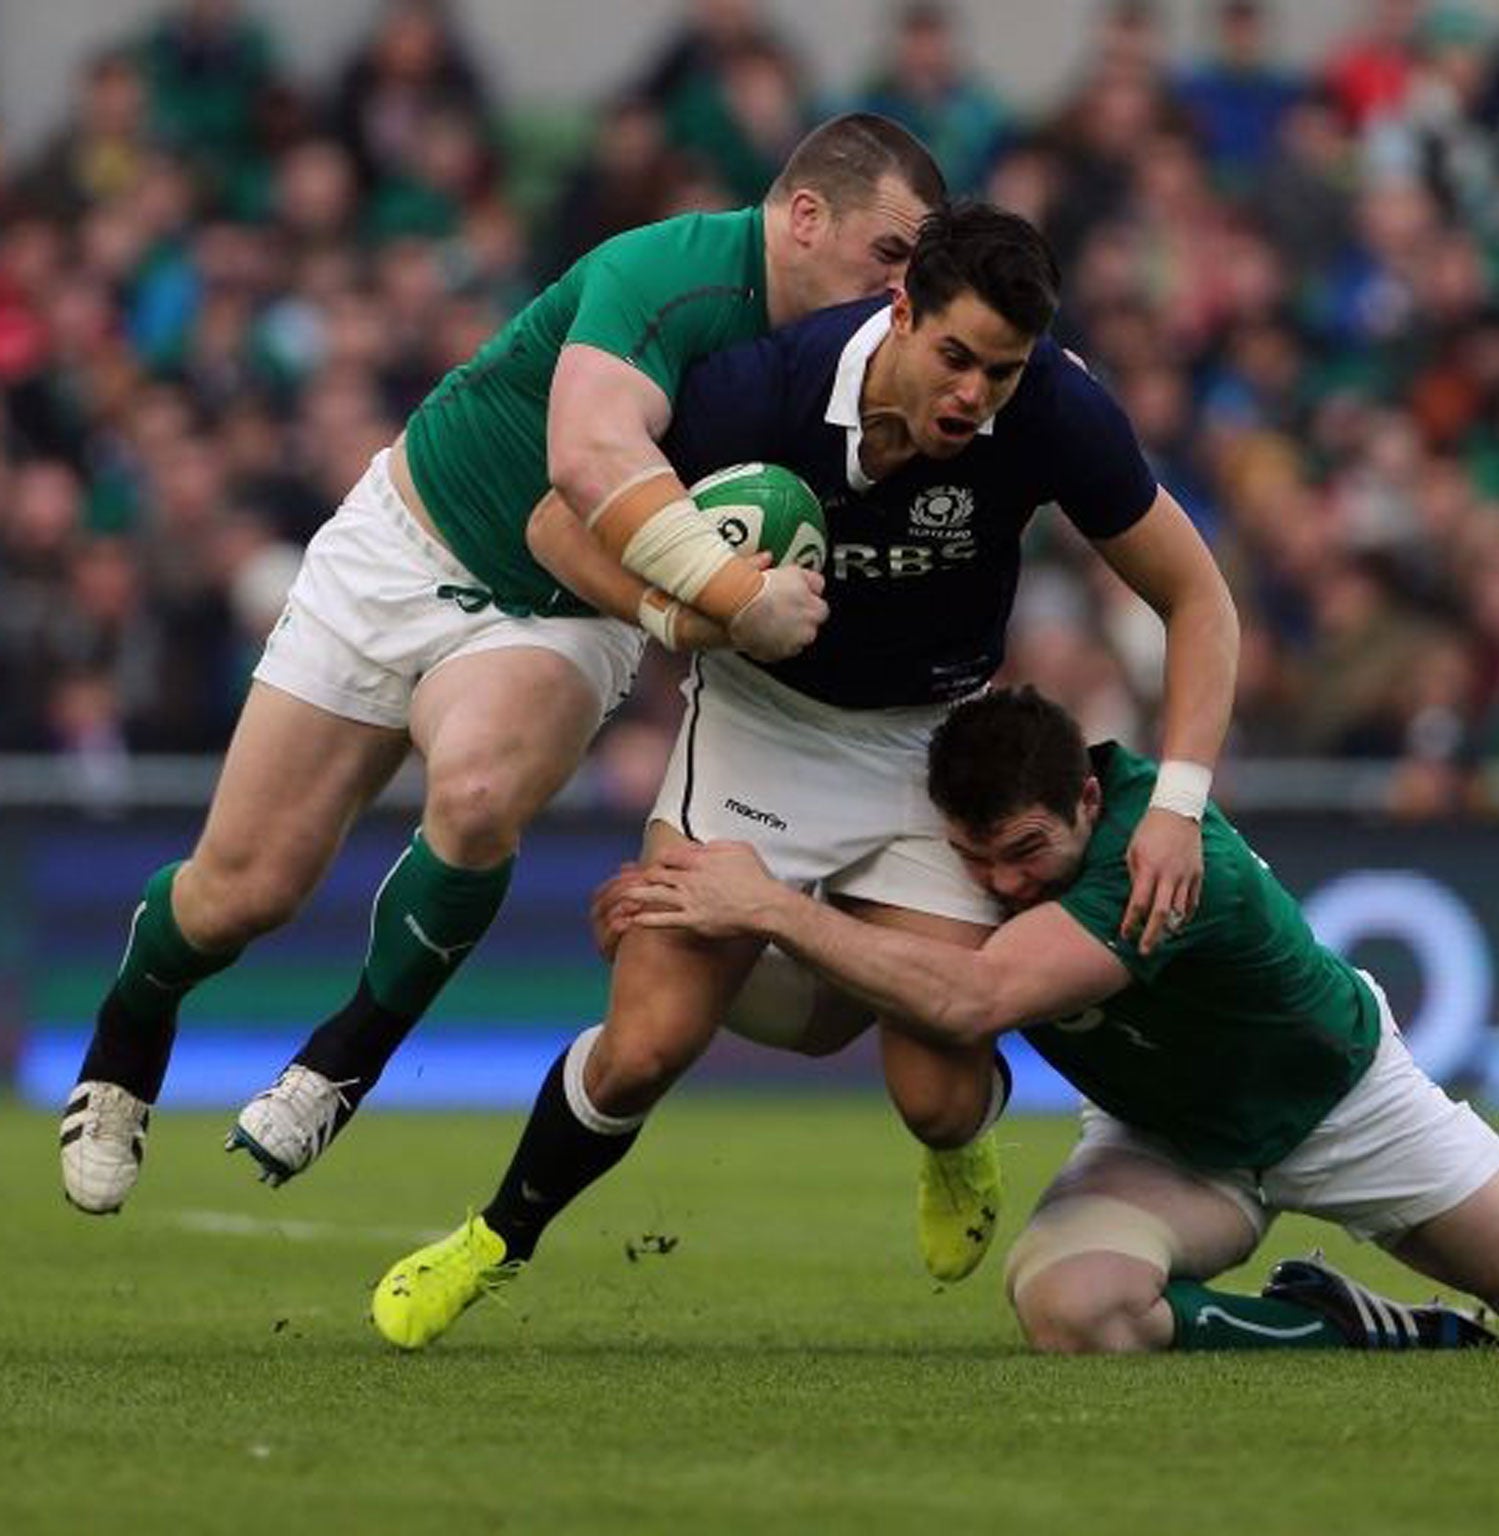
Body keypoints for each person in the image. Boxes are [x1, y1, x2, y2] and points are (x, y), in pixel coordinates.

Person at [368, 202, 1240, 1344]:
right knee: (643, 1048)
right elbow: (550, 524)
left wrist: (1178, 804)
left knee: (932, 1099)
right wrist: (679, 622)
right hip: (757, 724)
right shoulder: (758, 389)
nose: (975, 394)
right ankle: (491, 1240)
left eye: (1002, 370)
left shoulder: (1057, 409)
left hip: (928, 745)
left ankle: (961, 1145)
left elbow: (1198, 600)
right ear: (897, 309)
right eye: (955, 357)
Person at [59, 113, 947, 1215]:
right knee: (244, 891)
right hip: (404, 544)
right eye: (891, 254)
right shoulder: (668, 271)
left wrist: (693, 617)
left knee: (478, 797)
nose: (900, 288)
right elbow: (582, 462)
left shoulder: (858, 359)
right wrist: (726, 601)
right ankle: (127, 1035)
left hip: (566, 607)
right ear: (805, 216)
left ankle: (346, 1055)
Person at [557, 685, 1499, 1357]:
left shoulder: (1153, 860)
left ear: (1082, 803)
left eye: (1023, 858)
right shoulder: (999, 854)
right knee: (1075, 1309)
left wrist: (773, 909)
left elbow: (975, 996)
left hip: (1345, 1112)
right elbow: (852, 1001)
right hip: (1163, 1141)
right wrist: (704, 934)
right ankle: (1338, 1327)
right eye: (977, 861)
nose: (996, 885)